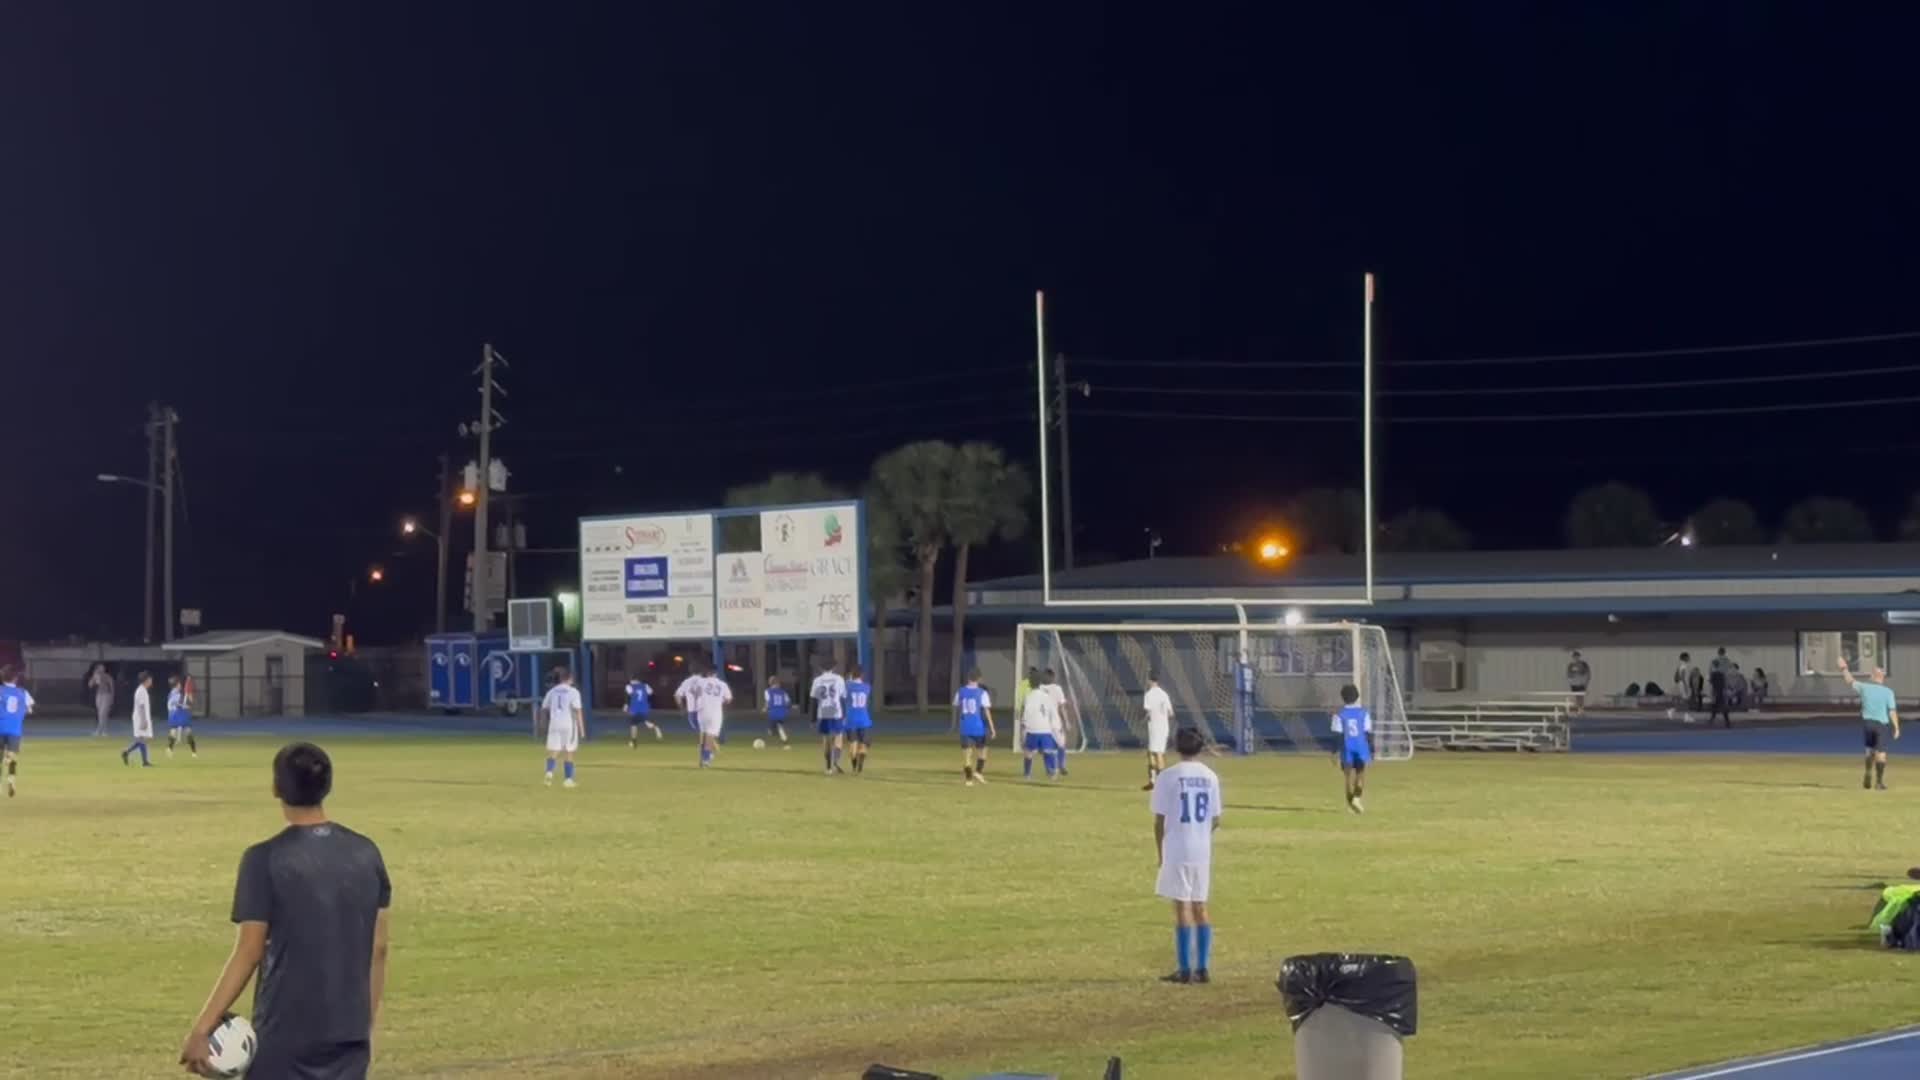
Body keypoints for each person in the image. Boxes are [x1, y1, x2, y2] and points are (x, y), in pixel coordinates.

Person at [179, 742, 390, 1080]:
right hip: (348, 1035)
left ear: (276, 787)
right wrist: (364, 1024)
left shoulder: (263, 859)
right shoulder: (368, 853)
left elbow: (249, 952)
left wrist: (203, 1028)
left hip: (285, 1036)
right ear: (327, 786)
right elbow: (378, 949)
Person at [1152, 727, 1222, 985]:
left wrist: (1161, 853)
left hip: (1178, 846)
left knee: (1182, 905)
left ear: (1176, 747)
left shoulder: (1168, 776)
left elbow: (1159, 821)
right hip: (1202, 848)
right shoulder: (1210, 776)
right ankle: (1202, 968)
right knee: (1200, 905)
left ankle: (1184, 969)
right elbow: (1215, 819)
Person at [1838, 656, 1900, 791]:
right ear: (1882, 677)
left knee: (1869, 751)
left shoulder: (1864, 687)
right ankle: (1879, 782)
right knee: (1881, 753)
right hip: (1881, 724)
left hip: (1868, 724)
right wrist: (1896, 727)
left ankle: (1867, 771)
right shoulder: (1888, 692)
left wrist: (1844, 668)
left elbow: (1849, 680)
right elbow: (1892, 711)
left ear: (1873, 676)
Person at [1331, 683, 1373, 813]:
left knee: (1347, 778)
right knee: (1360, 774)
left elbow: (1337, 735)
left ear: (1342, 697)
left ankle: (1350, 806)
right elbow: (1368, 733)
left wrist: (1334, 752)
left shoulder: (1339, 715)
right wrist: (1371, 749)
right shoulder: (1363, 713)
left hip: (1346, 748)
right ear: (1357, 697)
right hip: (1360, 747)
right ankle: (1357, 798)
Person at [541, 667, 586, 787]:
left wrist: (542, 724)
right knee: (569, 751)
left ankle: (549, 773)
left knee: (554, 750)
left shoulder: (552, 691)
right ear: (568, 678)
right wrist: (582, 729)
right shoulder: (573, 692)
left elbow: (544, 708)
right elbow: (578, 711)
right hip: (568, 724)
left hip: (555, 723)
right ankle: (568, 780)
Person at [954, 669, 995, 786]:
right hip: (978, 727)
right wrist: (992, 728)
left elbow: (957, 705)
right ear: (979, 679)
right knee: (983, 751)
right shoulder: (982, 693)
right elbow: (987, 711)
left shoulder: (960, 691)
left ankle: (968, 780)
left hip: (965, 726)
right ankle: (978, 772)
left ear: (968, 678)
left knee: (967, 754)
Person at [1021, 672, 1063, 781]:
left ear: (1030, 684)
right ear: (1040, 683)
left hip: (1032, 729)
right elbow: (1053, 712)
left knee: (1028, 753)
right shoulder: (1046, 696)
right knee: (1048, 751)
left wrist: (1024, 728)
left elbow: (1026, 714)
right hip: (1045, 729)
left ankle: (1027, 774)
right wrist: (1056, 726)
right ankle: (1051, 772)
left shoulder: (1028, 697)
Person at [809, 660, 848, 776]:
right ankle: (835, 761)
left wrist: (812, 719)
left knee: (826, 740)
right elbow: (842, 698)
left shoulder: (817, 680)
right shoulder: (839, 679)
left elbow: (813, 700)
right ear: (834, 668)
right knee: (838, 738)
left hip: (823, 711)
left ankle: (828, 767)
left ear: (821, 669)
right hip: (836, 710)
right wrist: (844, 714)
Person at [690, 664, 732, 769]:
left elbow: (694, 693)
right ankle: (706, 760)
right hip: (715, 712)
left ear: (707, 672)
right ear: (716, 673)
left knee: (703, 736)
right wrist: (720, 700)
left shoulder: (701, 682)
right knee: (710, 737)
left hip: (702, 711)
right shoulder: (722, 684)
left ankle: (702, 758)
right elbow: (728, 699)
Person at [1141, 673, 1174, 791]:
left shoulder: (1149, 694)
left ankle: (1158, 782)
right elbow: (1171, 713)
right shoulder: (1164, 694)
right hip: (1164, 727)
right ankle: (1153, 781)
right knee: (1154, 753)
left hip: (1155, 727)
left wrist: (1143, 720)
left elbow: (1148, 711)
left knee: (1155, 753)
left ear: (1150, 681)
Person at [0, 666, 27, 797]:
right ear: (15, 678)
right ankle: (11, 781)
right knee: (12, 759)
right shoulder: (22, 692)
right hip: (14, 730)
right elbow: (29, 708)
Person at [1044, 668, 1073, 776]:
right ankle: (1055, 767)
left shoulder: (1043, 688)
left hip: (1047, 722)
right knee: (1056, 745)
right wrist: (1066, 721)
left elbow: (1061, 706)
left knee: (1054, 745)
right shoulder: (1055, 689)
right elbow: (1062, 707)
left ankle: (1057, 767)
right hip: (1051, 723)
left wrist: (1066, 721)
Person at [123, 670, 155, 768]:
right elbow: (141, 706)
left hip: (141, 717)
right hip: (140, 717)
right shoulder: (141, 691)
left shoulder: (142, 690)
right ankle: (145, 762)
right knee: (141, 739)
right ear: (147, 680)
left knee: (140, 740)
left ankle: (126, 752)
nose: (151, 681)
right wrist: (143, 720)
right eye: (150, 679)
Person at [167, 673, 198, 759]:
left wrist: (188, 700)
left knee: (188, 732)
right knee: (174, 733)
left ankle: (194, 752)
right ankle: (170, 749)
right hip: (175, 715)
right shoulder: (173, 694)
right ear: (176, 685)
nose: (180, 685)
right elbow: (179, 703)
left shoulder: (179, 693)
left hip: (180, 714)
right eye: (179, 684)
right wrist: (185, 704)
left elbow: (186, 703)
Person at [626, 677, 661, 746]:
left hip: (635, 708)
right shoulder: (646, 686)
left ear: (634, 680)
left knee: (633, 724)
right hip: (645, 708)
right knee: (646, 722)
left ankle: (634, 741)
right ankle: (656, 727)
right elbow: (651, 693)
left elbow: (628, 696)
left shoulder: (630, 686)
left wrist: (627, 705)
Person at [762, 676, 792, 749]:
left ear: (770, 683)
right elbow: (788, 702)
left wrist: (765, 708)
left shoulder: (767, 691)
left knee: (771, 731)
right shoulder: (783, 692)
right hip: (783, 712)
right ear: (778, 683)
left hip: (773, 713)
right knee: (779, 726)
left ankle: (783, 739)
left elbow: (768, 702)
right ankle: (784, 739)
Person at [1707, 647, 1733, 728]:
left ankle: (1717, 719)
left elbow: (1710, 676)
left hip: (1716, 684)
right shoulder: (1727, 661)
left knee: (1718, 702)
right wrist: (1727, 686)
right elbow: (1727, 673)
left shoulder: (1714, 661)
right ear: (1724, 652)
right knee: (1719, 702)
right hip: (1722, 683)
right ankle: (1725, 720)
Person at [89, 663, 114, 737]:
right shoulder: (96, 676)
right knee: (101, 714)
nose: (102, 669)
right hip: (98, 695)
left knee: (102, 713)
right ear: (97, 669)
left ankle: (99, 730)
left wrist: (112, 697)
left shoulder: (107, 676)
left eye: (103, 668)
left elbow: (112, 687)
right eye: (100, 668)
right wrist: (94, 678)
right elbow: (90, 685)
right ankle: (104, 731)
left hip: (106, 695)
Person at [1565, 651, 1591, 715]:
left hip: (1581, 683)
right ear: (1573, 657)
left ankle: (1582, 709)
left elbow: (1588, 673)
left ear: (1579, 657)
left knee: (1581, 696)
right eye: (1574, 657)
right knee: (1577, 697)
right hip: (1574, 683)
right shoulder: (1571, 665)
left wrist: (1586, 682)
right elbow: (1568, 674)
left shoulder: (1584, 664)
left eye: (1577, 656)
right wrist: (1571, 681)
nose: (1576, 658)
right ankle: (1578, 709)